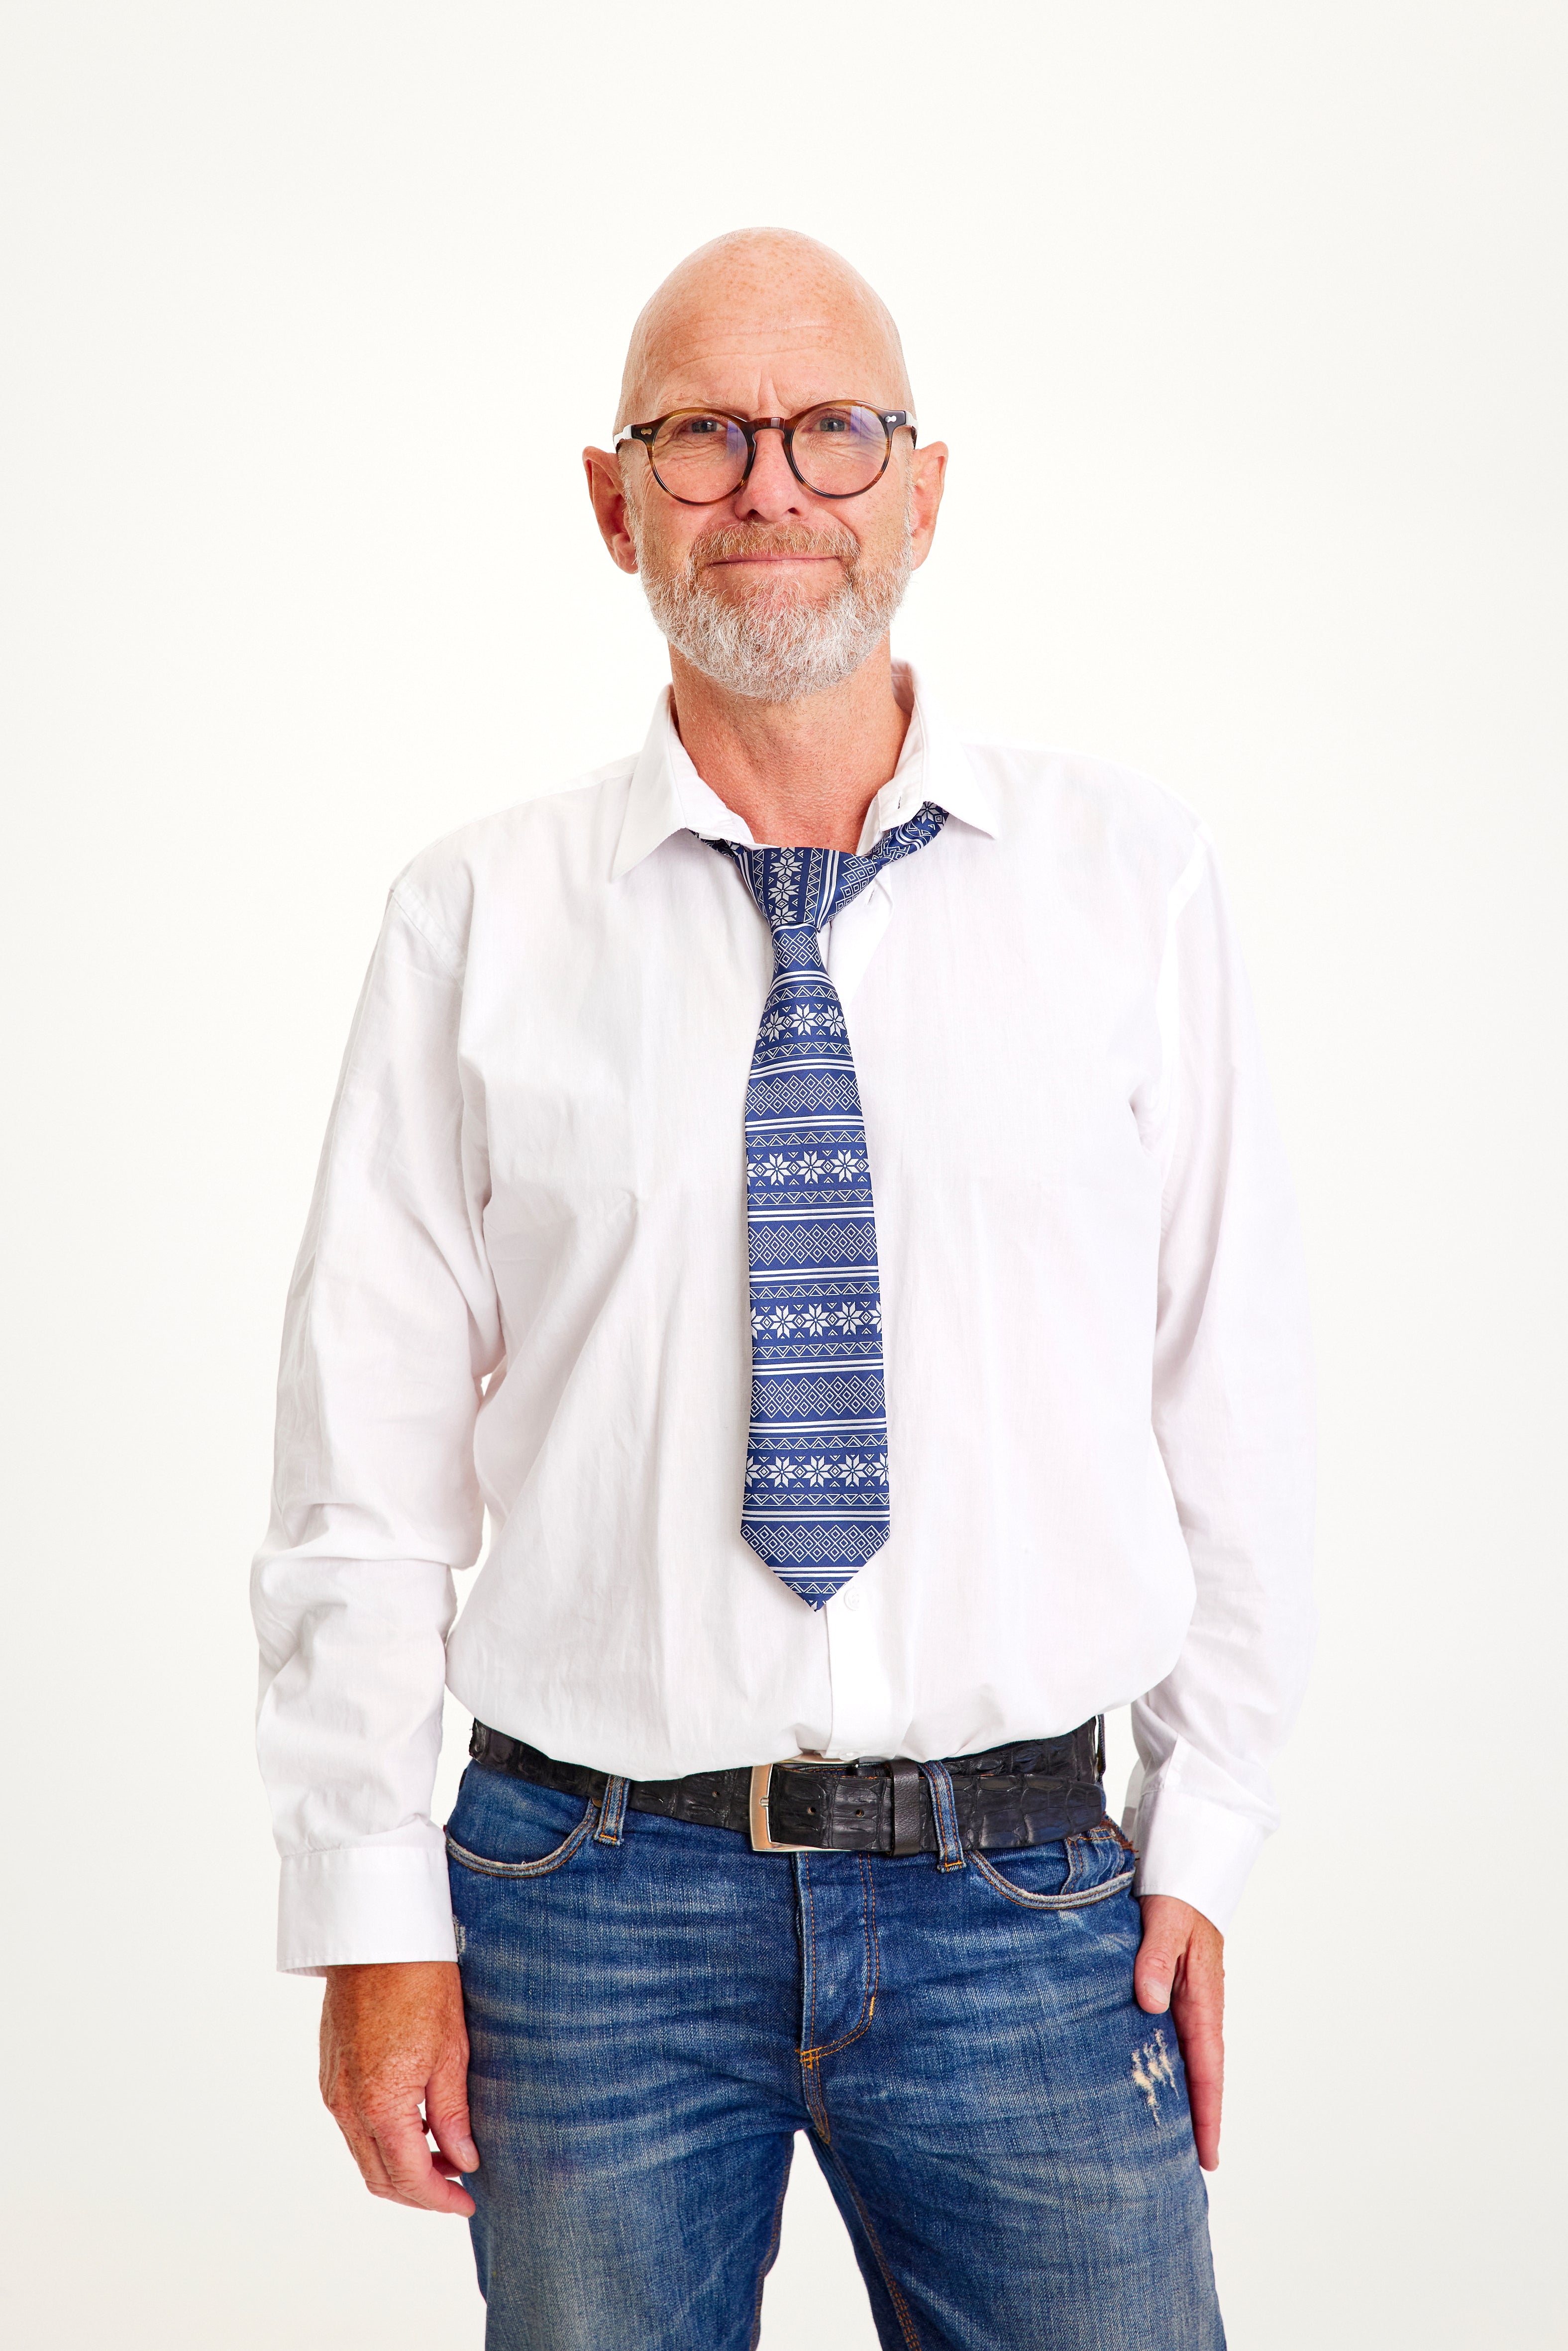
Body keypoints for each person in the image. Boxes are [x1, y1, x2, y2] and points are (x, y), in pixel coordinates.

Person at [252, 226, 1314, 2351]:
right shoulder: (476, 920)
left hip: (1030, 1897)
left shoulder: (1128, 882)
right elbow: (361, 1462)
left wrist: (1201, 1826)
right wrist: (366, 1905)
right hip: (586, 1911)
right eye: (702, 437)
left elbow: (1228, 1390)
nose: (770, 486)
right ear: (612, 500)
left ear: (922, 492)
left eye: (835, 430)